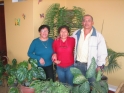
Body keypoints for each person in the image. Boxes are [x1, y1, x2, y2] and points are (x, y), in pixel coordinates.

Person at [72, 14, 108, 84]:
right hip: (77, 65)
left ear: (92, 23)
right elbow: (68, 41)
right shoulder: (76, 33)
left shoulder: (98, 36)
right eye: (84, 21)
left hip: (91, 66)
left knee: (92, 85)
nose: (86, 22)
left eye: (89, 21)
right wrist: (60, 38)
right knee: (79, 86)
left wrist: (100, 66)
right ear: (82, 23)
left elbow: (102, 52)